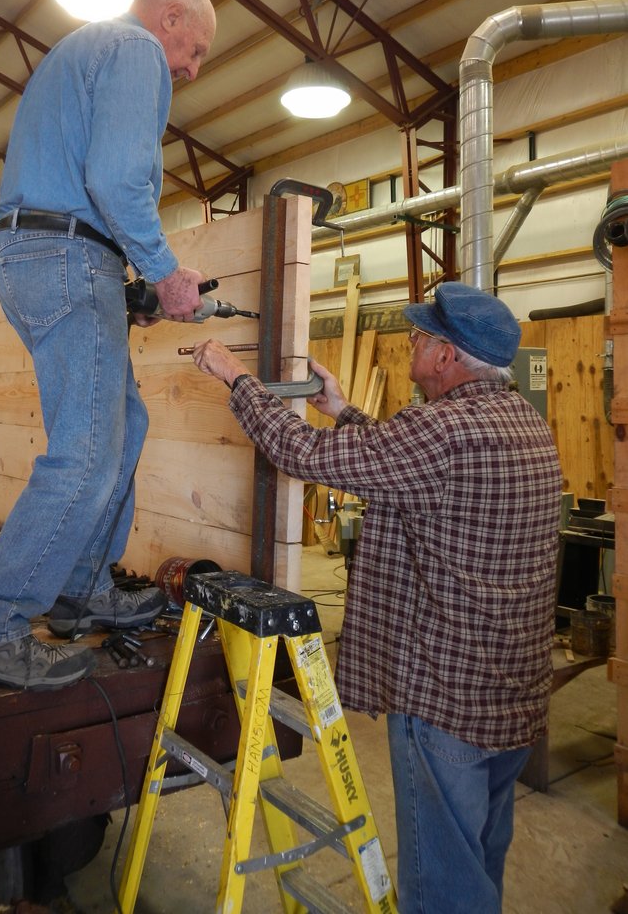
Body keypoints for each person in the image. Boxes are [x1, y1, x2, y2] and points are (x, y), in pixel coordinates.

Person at [191, 281, 562, 914]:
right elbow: (411, 470)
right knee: (478, 862)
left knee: (443, 888)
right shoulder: (525, 422)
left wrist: (234, 378)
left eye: (420, 336)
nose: (410, 343)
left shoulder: (441, 430)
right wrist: (342, 410)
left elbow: (297, 451)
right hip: (512, 695)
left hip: (445, 703)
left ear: (447, 357)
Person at [0, 0, 217, 691]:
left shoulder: (84, 52)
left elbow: (83, 181)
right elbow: (118, 179)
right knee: (88, 453)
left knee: (122, 425)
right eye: (194, 50)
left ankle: (80, 587)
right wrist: (164, 273)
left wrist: (131, 287)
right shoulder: (135, 51)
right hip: (65, 256)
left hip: (47, 253)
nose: (190, 70)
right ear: (170, 16)